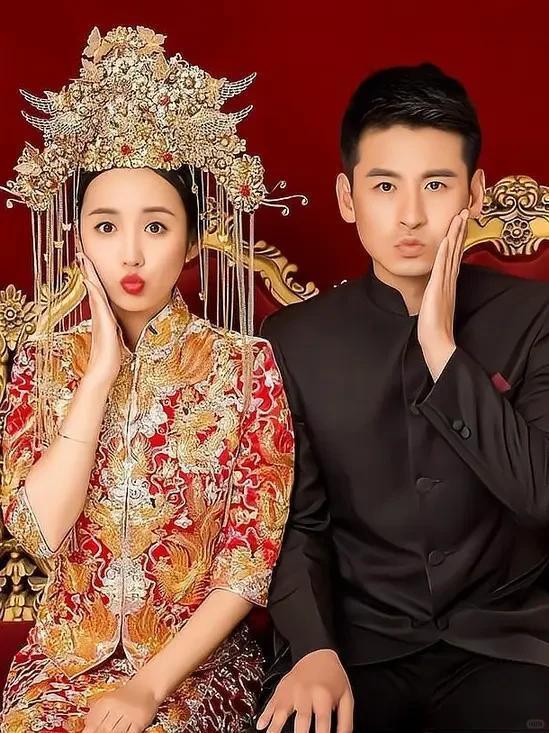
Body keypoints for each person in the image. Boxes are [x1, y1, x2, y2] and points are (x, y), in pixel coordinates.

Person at [0, 25, 294, 733]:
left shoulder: (246, 367)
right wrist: (99, 375)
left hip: (194, 668)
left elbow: (247, 563)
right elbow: (33, 537)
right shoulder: (42, 366)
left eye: (156, 227)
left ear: (192, 242)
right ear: (77, 238)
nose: (130, 252)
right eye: (106, 226)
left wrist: (149, 686)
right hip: (62, 664)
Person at [258, 64, 549, 732]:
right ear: (347, 196)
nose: (411, 215)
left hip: (508, 643)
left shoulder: (535, 318)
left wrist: (442, 349)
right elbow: (296, 522)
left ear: (475, 193)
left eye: (436, 185)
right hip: (357, 647)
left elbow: (539, 494)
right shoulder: (295, 338)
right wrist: (312, 648)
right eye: (384, 186)